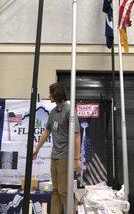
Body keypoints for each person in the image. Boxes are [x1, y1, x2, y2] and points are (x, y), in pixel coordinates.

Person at [33, 83, 81, 214]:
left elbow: (77, 136)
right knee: (55, 190)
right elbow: (46, 132)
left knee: (64, 191)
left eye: (51, 94)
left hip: (65, 157)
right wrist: (37, 149)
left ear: (57, 95)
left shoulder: (69, 111)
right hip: (54, 156)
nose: (49, 96)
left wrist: (76, 159)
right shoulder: (53, 112)